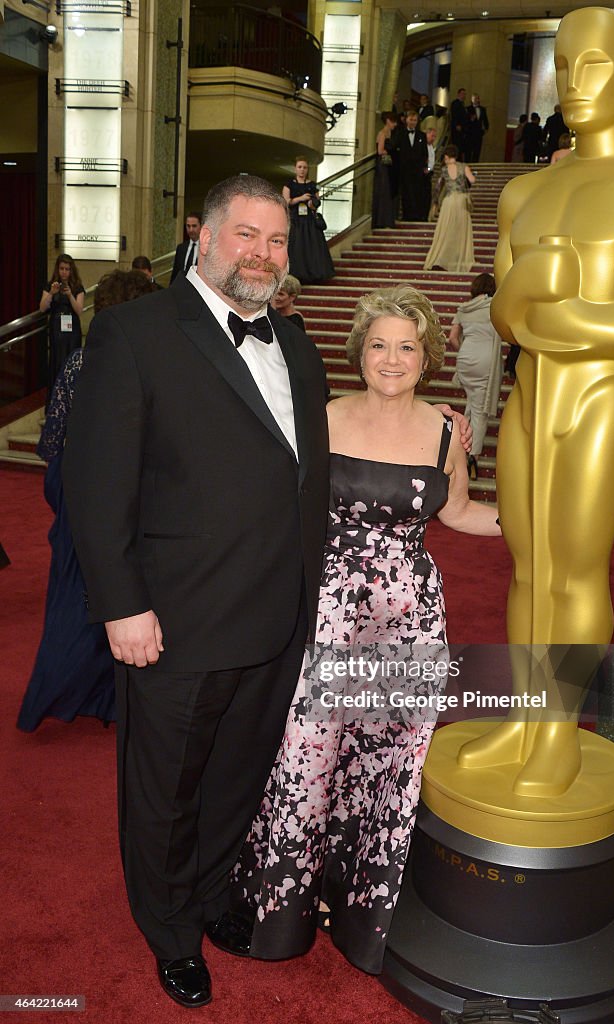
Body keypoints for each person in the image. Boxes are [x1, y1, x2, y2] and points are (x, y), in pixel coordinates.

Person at [62, 175, 331, 1010]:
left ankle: (211, 900)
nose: (263, 253)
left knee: (237, 779)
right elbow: (95, 482)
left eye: (277, 240)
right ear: (204, 239)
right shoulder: (135, 333)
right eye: (246, 235)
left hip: (276, 616)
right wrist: (121, 604)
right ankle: (169, 930)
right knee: (167, 789)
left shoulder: (297, 345)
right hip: (174, 620)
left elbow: (303, 473)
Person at [458, 7, 614, 796]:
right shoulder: (525, 191)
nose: (573, 82)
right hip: (530, 399)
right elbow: (502, 310)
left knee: (574, 571)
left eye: (594, 64)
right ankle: (525, 722)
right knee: (527, 568)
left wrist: (542, 300)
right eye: (563, 65)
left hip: (597, 397)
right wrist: (533, 297)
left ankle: (557, 736)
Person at [234, 284, 501, 974]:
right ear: (359, 352)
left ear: (427, 356)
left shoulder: (446, 431)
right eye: (379, 344)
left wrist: (542, 526)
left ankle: (357, 911)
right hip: (326, 611)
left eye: (406, 346)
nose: (391, 358)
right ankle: (284, 907)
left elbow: (460, 514)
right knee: (307, 756)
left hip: (407, 618)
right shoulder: (318, 418)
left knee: (384, 763)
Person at [17, 270, 156, 734]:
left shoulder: (81, 361)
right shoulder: (130, 363)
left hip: (84, 493)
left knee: (84, 597)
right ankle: (101, 694)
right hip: (116, 497)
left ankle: (90, 692)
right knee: (110, 593)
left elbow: (52, 442)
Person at [448, 273, 504, 477]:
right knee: (480, 410)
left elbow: (453, 338)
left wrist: (465, 349)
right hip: (485, 360)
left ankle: (463, 442)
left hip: (465, 357)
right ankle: (473, 457)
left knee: (473, 404)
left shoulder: (464, 308)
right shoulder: (495, 306)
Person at [423, 145, 475, 272]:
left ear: (446, 156)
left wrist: (435, 202)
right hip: (461, 201)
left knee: (446, 231)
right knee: (460, 230)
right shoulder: (463, 167)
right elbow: (472, 180)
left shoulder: (444, 169)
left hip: (449, 202)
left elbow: (437, 187)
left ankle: (442, 256)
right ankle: (459, 257)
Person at [283, 156, 335, 284]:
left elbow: (317, 203)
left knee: (313, 248)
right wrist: (300, 198)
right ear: (295, 169)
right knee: (297, 248)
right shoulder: (289, 185)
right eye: (300, 167)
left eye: (305, 167)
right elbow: (285, 202)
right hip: (296, 221)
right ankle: (296, 275)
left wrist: (312, 203)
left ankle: (315, 274)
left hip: (310, 221)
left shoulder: (313, 185)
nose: (302, 170)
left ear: (307, 169)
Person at [39, 254, 85, 389]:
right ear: (57, 269)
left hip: (72, 331)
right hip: (57, 329)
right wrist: (52, 293)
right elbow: (42, 308)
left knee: (70, 360)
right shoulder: (51, 285)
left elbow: (79, 310)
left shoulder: (77, 287)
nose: (64, 272)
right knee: (57, 361)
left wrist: (70, 294)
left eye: (67, 269)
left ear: (71, 271)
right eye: (62, 268)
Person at [395, 110, 429, 221]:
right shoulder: (400, 133)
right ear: (406, 120)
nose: (413, 122)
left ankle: (417, 215)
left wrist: (425, 167)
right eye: (411, 120)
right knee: (406, 193)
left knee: (417, 192)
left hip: (418, 169)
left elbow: (425, 153)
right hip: (404, 169)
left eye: (415, 120)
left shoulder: (422, 135)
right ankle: (407, 215)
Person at [372, 111, 399, 229]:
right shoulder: (382, 133)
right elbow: (380, 150)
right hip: (382, 165)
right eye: (393, 122)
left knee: (386, 190)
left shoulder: (388, 133)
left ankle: (385, 219)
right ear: (388, 121)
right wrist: (387, 152)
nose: (395, 124)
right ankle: (382, 220)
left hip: (386, 165)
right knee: (383, 190)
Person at [170, 212, 202, 282]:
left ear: (200, 226)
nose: (191, 230)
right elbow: (175, 273)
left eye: (194, 226)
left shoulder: (205, 248)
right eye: (188, 226)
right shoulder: (181, 248)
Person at [464, 94, 489, 162]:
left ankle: (475, 168)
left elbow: (485, 120)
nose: (477, 100)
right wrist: (470, 120)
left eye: (478, 98)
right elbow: (464, 121)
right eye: (475, 98)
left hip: (478, 134)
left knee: (477, 152)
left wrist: (486, 129)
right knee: (468, 152)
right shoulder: (467, 109)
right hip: (470, 133)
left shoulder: (482, 109)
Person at [450, 87, 469, 155]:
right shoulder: (455, 103)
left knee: (461, 146)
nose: (464, 95)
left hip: (462, 129)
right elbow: (454, 115)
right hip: (457, 128)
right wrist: (456, 125)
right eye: (462, 94)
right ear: (458, 94)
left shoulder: (463, 105)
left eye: (465, 94)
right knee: (457, 145)